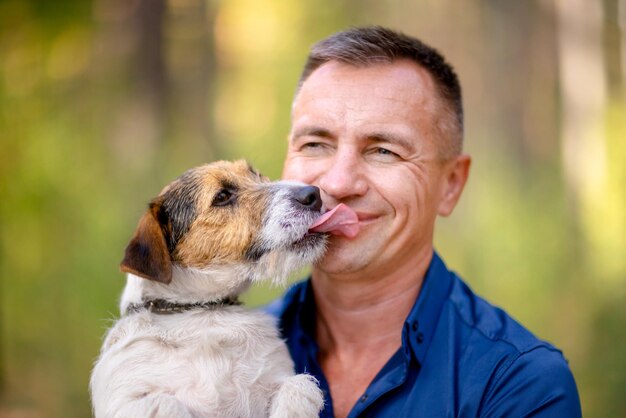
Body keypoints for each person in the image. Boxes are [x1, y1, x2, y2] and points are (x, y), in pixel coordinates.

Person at [266, 26, 582, 417]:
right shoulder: (222, 357)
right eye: (314, 144)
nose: (337, 183)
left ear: (451, 184)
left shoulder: (519, 384)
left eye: (383, 150)